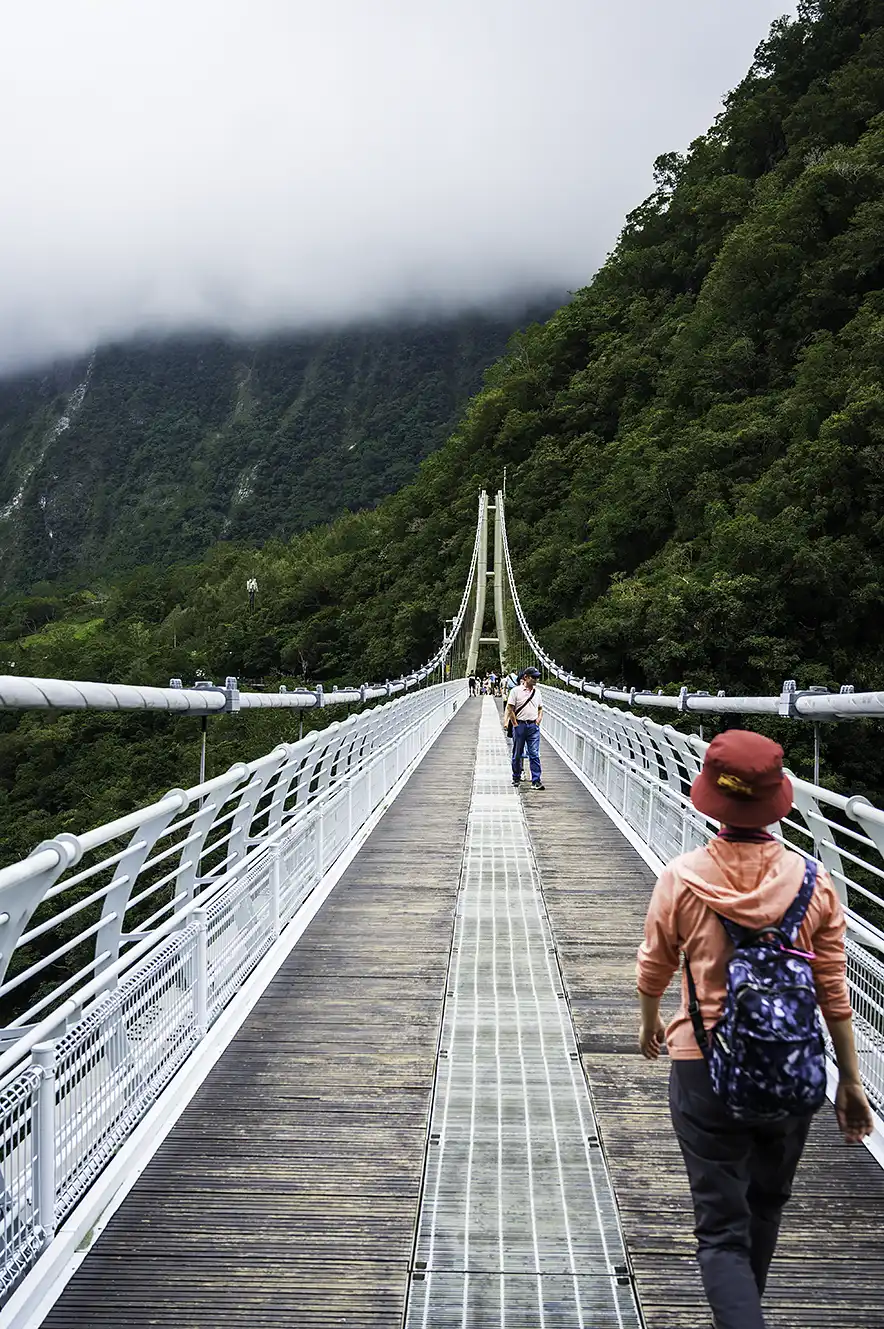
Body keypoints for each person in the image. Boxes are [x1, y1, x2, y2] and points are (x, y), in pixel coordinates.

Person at [636, 729, 873, 1329]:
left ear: (711, 797)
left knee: (721, 1231)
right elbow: (833, 991)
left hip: (703, 1064)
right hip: (791, 1069)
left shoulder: (682, 878)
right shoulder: (815, 882)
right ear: (776, 801)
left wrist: (650, 1021)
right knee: (765, 1207)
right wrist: (849, 1081)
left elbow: (654, 965)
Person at [504, 666, 544, 789]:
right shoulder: (515, 691)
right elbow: (510, 708)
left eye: (537, 677)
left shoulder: (537, 692)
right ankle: (516, 777)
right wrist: (515, 724)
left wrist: (538, 719)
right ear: (526, 677)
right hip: (520, 725)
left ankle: (536, 780)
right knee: (518, 753)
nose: (536, 680)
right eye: (533, 677)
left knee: (534, 753)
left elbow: (540, 708)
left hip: (533, 726)